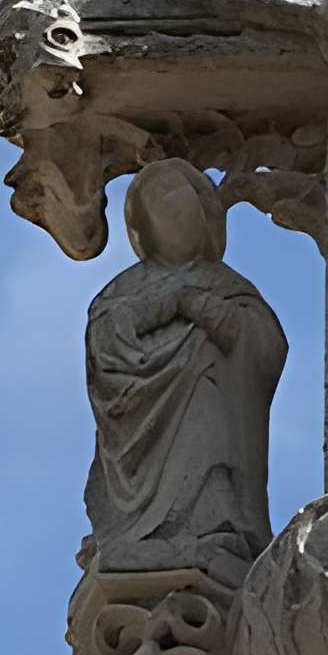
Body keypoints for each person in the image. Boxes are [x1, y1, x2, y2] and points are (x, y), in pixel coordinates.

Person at [83, 160, 287, 569]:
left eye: (181, 197)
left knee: (209, 424)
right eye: (158, 203)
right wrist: (168, 301)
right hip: (143, 435)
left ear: (205, 212)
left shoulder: (228, 286)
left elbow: (264, 347)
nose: (173, 211)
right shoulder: (124, 290)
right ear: (143, 227)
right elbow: (105, 342)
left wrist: (206, 309)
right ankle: (137, 533)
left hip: (209, 408)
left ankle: (215, 528)